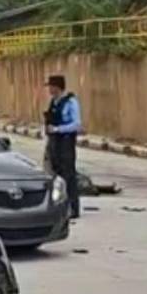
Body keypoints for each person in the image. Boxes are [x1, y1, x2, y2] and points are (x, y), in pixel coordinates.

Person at [44, 74, 82, 219]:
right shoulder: (53, 102)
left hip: (66, 141)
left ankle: (73, 208)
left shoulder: (71, 102)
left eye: (51, 87)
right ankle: (59, 207)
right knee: (55, 174)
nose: (49, 90)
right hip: (54, 142)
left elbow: (77, 125)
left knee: (68, 175)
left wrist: (58, 129)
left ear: (57, 87)